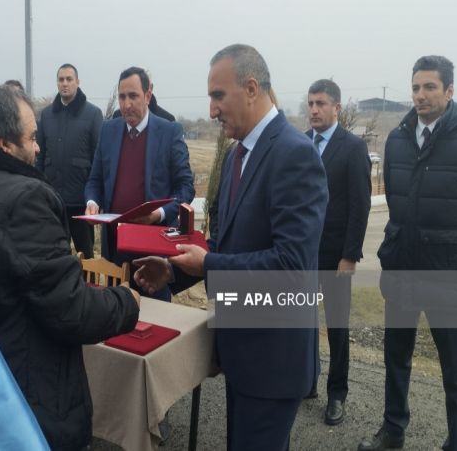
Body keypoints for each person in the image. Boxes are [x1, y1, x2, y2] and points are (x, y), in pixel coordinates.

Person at [0, 84, 140, 450]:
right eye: (32, 138)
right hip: (21, 397)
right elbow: (72, 311)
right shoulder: (25, 201)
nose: (38, 148)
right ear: (3, 143)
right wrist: (126, 301)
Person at [133, 44, 328, 450]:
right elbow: (226, 242)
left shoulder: (294, 155)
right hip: (243, 351)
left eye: (218, 96)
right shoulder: (239, 153)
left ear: (252, 88)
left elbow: (291, 264)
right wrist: (175, 269)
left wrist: (209, 265)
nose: (211, 110)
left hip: (273, 358)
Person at [358, 56, 457, 451]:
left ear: (449, 91)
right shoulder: (399, 139)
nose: (420, 95)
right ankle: (392, 430)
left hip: (447, 276)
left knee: (456, 369)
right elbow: (397, 201)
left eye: (430, 87)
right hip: (402, 269)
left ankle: (456, 442)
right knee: (396, 358)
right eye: (416, 88)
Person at [85, 66, 195, 299]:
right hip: (115, 245)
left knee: (156, 317)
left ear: (148, 94)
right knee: (117, 316)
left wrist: (160, 213)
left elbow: (186, 187)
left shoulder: (169, 131)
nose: (126, 105)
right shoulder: (108, 131)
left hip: (153, 248)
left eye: (133, 96)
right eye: (122, 97)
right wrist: (92, 200)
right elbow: (95, 179)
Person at [306, 79, 372, 425]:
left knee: (337, 328)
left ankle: (337, 394)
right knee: (300, 322)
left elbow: (360, 207)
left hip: (336, 258)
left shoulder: (352, 148)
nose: (314, 110)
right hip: (303, 255)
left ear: (337, 108)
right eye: (310, 103)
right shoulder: (301, 144)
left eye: (321, 103)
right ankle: (306, 382)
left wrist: (350, 255)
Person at [37, 63, 102, 258]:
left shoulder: (92, 114)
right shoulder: (47, 115)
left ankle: (89, 287)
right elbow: (39, 155)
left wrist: (96, 196)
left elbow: (98, 156)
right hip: (53, 200)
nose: (64, 84)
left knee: (87, 255)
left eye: (69, 79)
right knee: (56, 254)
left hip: (81, 201)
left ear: (78, 82)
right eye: (61, 80)